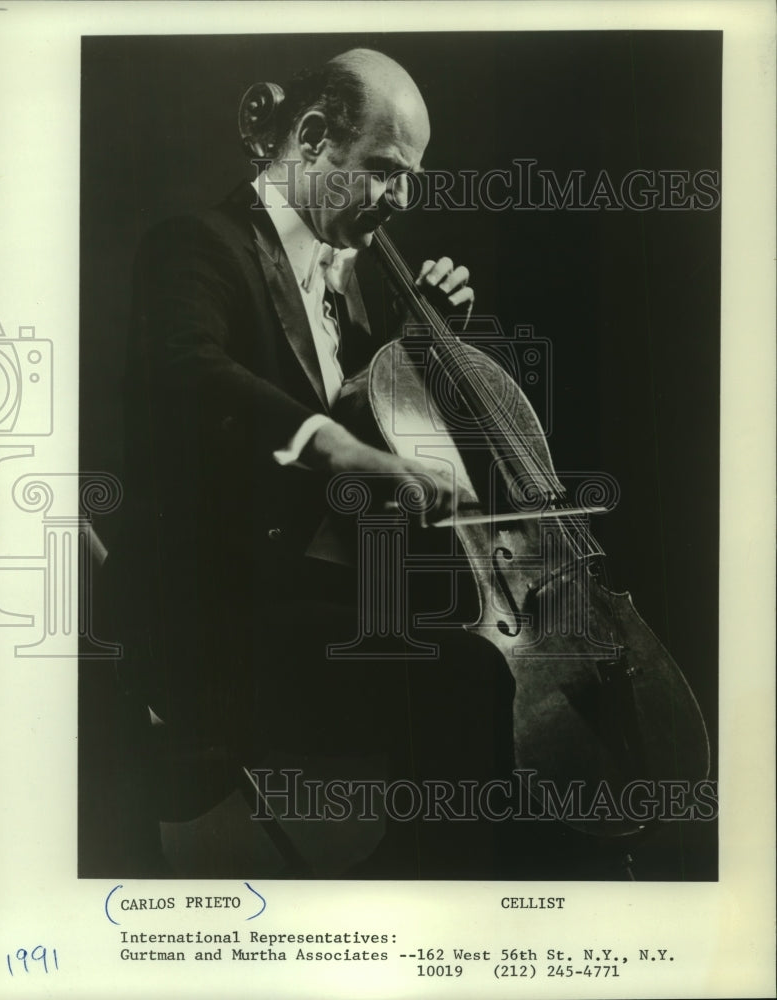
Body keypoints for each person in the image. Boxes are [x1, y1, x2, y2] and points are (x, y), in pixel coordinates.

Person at [105, 48, 517, 877]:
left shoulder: (350, 283)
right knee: (466, 677)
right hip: (208, 619)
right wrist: (346, 454)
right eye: (385, 171)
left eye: (410, 180)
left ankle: (420, 876)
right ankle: (433, 888)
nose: (400, 200)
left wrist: (420, 346)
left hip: (302, 595)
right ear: (314, 136)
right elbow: (193, 377)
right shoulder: (196, 245)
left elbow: (357, 408)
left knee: (469, 656)